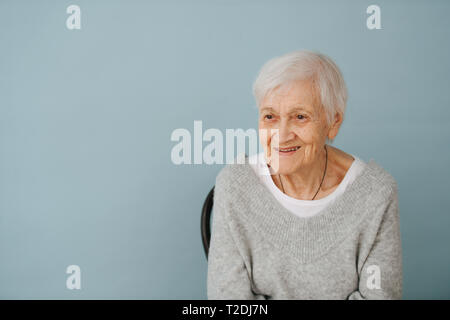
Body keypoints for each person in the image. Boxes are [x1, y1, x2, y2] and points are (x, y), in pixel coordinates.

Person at [207, 50, 402, 299]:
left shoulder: (376, 193)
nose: (282, 134)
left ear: (334, 122)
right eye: (270, 117)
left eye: (300, 117)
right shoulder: (235, 186)